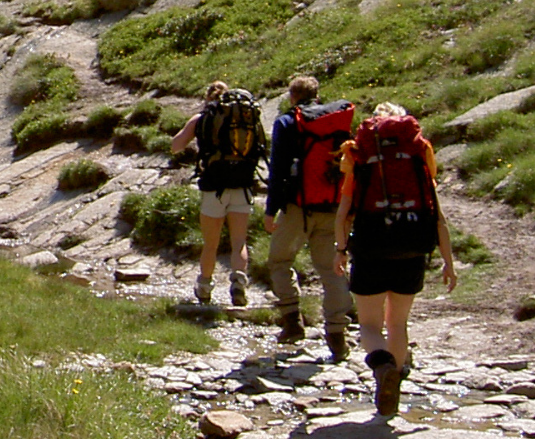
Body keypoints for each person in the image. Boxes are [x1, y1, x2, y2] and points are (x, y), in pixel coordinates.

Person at [334, 102, 459, 416]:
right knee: (398, 323)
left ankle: (382, 368)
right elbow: (438, 217)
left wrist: (340, 250)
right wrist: (449, 261)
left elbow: (342, 215)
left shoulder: (361, 155)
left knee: (370, 325)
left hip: (370, 247)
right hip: (413, 246)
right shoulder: (417, 156)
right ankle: (394, 388)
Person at [264, 76, 355, 360]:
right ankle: (337, 336)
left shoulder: (286, 123)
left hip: (296, 207)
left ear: (292, 96)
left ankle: (292, 321)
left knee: (279, 260)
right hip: (332, 206)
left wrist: (270, 210)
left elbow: (277, 170)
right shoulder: (336, 120)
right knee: (332, 270)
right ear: (317, 95)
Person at [170, 81, 263, 307]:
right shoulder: (245, 118)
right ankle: (239, 283)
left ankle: (204, 287)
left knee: (210, 243)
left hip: (213, 186)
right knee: (239, 241)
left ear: (208, 98)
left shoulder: (203, 117)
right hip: (242, 184)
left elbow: (176, 145)